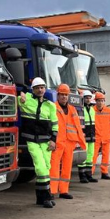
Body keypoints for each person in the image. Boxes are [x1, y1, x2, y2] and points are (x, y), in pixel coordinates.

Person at [18, 77, 58, 209]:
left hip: (46, 140)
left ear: (45, 89)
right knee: (40, 168)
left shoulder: (50, 105)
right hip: (31, 140)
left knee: (46, 167)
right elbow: (14, 97)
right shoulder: (26, 99)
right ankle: (47, 196)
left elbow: (55, 125)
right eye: (37, 88)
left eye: (42, 87)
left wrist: (53, 140)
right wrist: (20, 95)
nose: (40, 90)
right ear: (33, 89)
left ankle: (40, 198)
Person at [50, 84, 87, 200]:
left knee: (67, 167)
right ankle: (52, 191)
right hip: (57, 141)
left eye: (66, 95)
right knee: (54, 167)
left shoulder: (72, 109)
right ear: (58, 95)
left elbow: (77, 125)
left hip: (69, 142)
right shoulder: (53, 107)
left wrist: (81, 140)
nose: (64, 97)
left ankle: (64, 190)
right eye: (62, 94)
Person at [92, 92, 110, 180]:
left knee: (106, 156)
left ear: (104, 101)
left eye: (102, 101)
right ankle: (90, 172)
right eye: (98, 101)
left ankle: (104, 172)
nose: (100, 102)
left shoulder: (109, 111)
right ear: (95, 101)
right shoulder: (92, 111)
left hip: (106, 137)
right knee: (93, 156)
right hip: (96, 137)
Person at [78, 90, 98, 183]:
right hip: (83, 135)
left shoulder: (92, 109)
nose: (88, 99)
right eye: (86, 98)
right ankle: (82, 176)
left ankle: (89, 175)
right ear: (83, 99)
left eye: (89, 98)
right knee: (83, 156)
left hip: (91, 135)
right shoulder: (80, 109)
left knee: (90, 155)